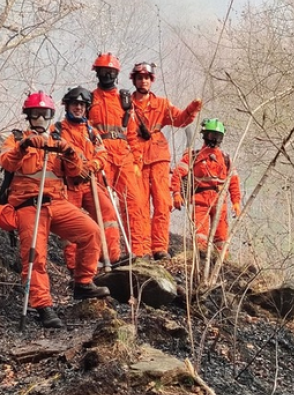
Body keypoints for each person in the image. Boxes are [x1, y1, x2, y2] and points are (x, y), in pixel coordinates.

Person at [0, 92, 110, 328]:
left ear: (51, 116)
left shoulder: (59, 139)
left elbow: (75, 173)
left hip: (57, 203)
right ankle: (43, 306)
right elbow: (6, 162)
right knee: (34, 256)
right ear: (28, 116)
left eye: (45, 114)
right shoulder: (17, 138)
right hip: (29, 206)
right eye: (35, 114)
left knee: (91, 231)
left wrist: (69, 153)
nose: (40, 119)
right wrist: (23, 147)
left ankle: (83, 283)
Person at [126, 62, 201, 260]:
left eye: (147, 78)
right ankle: (140, 249)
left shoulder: (161, 104)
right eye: (140, 77)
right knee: (138, 205)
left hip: (158, 157)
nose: (143, 81)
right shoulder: (125, 104)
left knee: (162, 202)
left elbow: (180, 120)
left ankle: (159, 248)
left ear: (152, 81)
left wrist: (193, 108)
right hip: (136, 160)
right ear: (134, 79)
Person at [88, 53, 148, 259]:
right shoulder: (89, 99)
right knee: (103, 205)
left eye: (111, 72)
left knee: (135, 202)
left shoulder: (124, 100)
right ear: (97, 72)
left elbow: (132, 132)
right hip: (101, 154)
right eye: (104, 71)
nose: (107, 75)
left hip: (123, 154)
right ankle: (110, 254)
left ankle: (138, 253)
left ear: (117, 74)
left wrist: (137, 159)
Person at [56, 87, 121, 270]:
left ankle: (112, 257)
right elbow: (55, 156)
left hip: (89, 182)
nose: (78, 108)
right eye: (75, 104)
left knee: (108, 211)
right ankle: (76, 267)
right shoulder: (58, 130)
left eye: (82, 105)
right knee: (71, 224)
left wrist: (91, 166)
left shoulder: (92, 132)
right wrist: (77, 167)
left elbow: (102, 154)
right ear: (67, 106)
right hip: (67, 185)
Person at [170, 118, 242, 257]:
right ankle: (200, 259)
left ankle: (222, 262)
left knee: (221, 236)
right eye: (211, 135)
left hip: (219, 201)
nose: (214, 139)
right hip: (199, 202)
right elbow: (178, 174)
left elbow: (233, 181)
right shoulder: (193, 156)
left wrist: (236, 201)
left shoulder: (226, 159)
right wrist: (176, 193)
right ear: (204, 135)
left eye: (217, 136)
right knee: (200, 235)